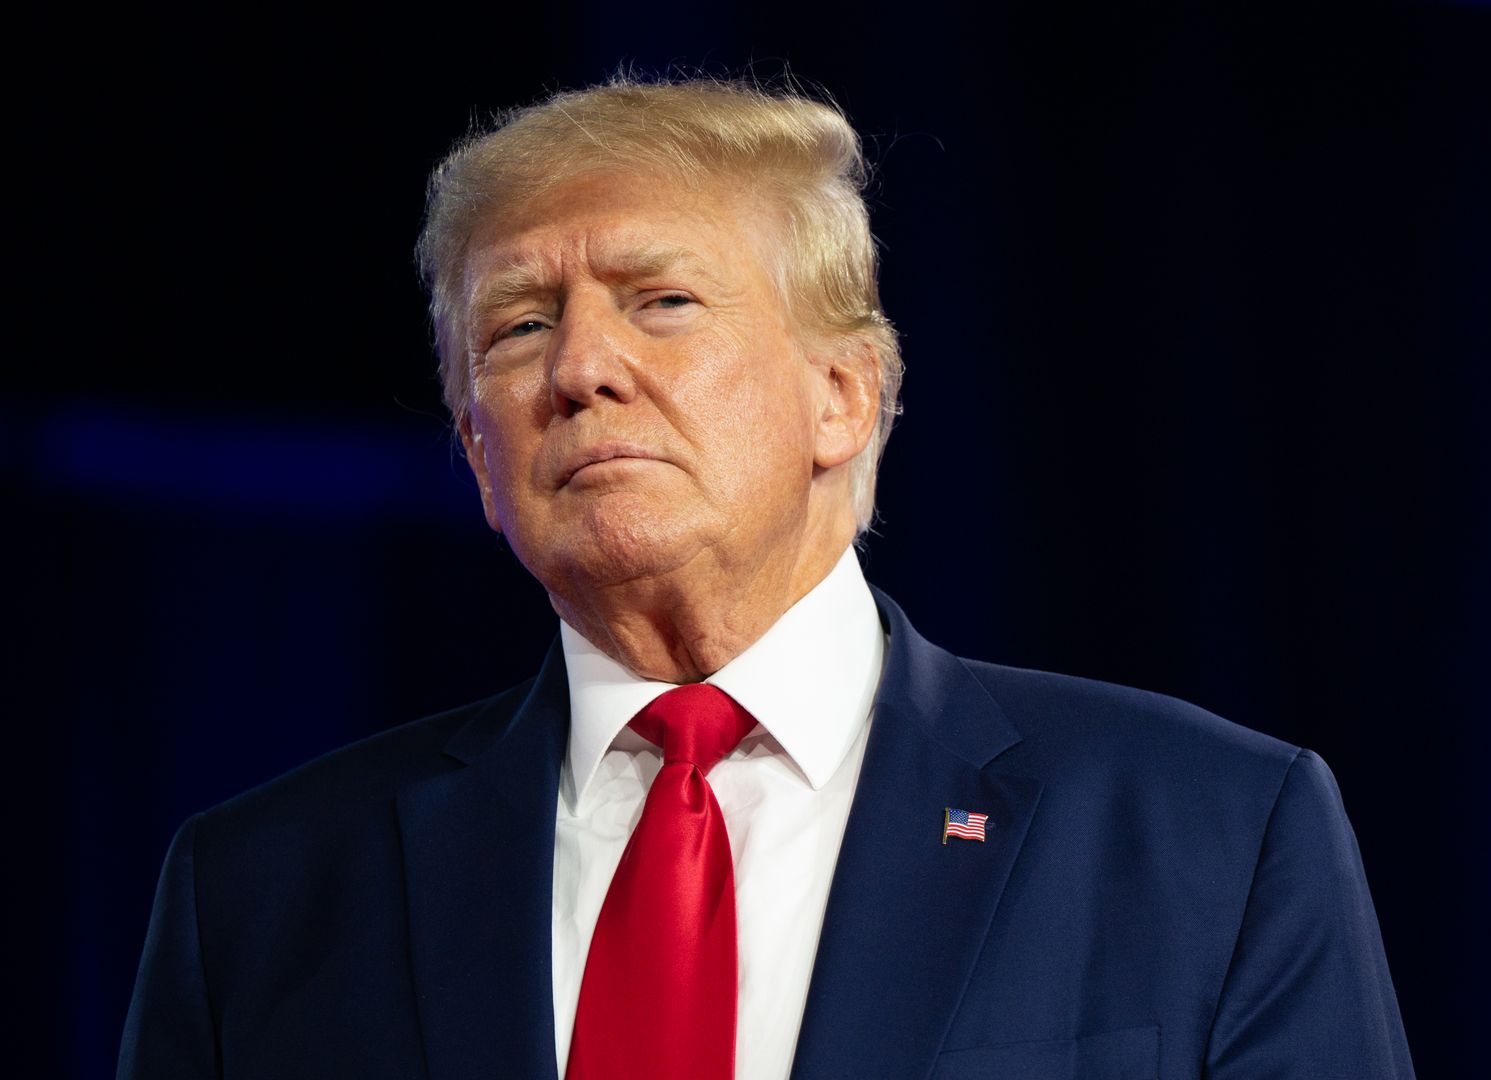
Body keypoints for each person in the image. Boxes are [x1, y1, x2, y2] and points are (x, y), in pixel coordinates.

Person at [119, 76, 1415, 1080]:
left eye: (662, 300)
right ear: (476, 452)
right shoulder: (262, 893)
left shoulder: (1212, 831)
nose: (580, 368)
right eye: (519, 325)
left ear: (842, 396)